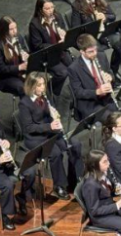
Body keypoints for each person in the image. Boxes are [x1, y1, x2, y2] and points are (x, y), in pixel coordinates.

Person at [18, 72, 84, 200]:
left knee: (74, 144)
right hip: (35, 138)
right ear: (31, 87)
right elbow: (28, 128)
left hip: (51, 133)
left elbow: (50, 113)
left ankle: (75, 180)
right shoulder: (24, 104)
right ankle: (59, 186)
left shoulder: (45, 96)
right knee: (56, 153)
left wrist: (54, 115)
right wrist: (49, 126)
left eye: (43, 84)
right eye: (39, 85)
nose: (43, 88)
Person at [68, 33, 121, 123]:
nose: (95, 53)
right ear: (82, 52)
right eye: (91, 52)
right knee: (114, 121)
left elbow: (110, 73)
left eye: (95, 50)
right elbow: (78, 92)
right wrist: (97, 92)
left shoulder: (101, 56)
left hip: (106, 98)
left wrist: (110, 77)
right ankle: (113, 135)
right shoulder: (74, 68)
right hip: (90, 104)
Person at [71, 0, 121, 77]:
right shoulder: (77, 6)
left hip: (104, 32)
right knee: (100, 54)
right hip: (90, 36)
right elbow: (75, 28)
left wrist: (105, 17)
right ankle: (103, 76)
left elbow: (112, 16)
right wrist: (93, 22)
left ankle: (113, 72)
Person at [28, 0, 71, 96]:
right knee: (63, 73)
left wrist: (64, 35)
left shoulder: (57, 16)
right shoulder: (35, 24)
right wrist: (55, 46)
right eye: (47, 9)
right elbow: (37, 45)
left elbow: (65, 30)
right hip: (46, 56)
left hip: (60, 51)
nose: (51, 11)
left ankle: (69, 94)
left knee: (73, 67)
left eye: (52, 7)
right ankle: (51, 91)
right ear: (40, 10)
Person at [0, 16, 30, 97]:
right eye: (11, 29)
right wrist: (19, 67)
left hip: (19, 73)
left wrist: (26, 56)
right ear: (4, 30)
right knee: (24, 88)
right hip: (6, 77)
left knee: (39, 80)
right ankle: (27, 108)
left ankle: (45, 107)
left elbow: (26, 51)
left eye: (15, 27)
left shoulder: (19, 38)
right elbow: (1, 69)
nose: (15, 31)